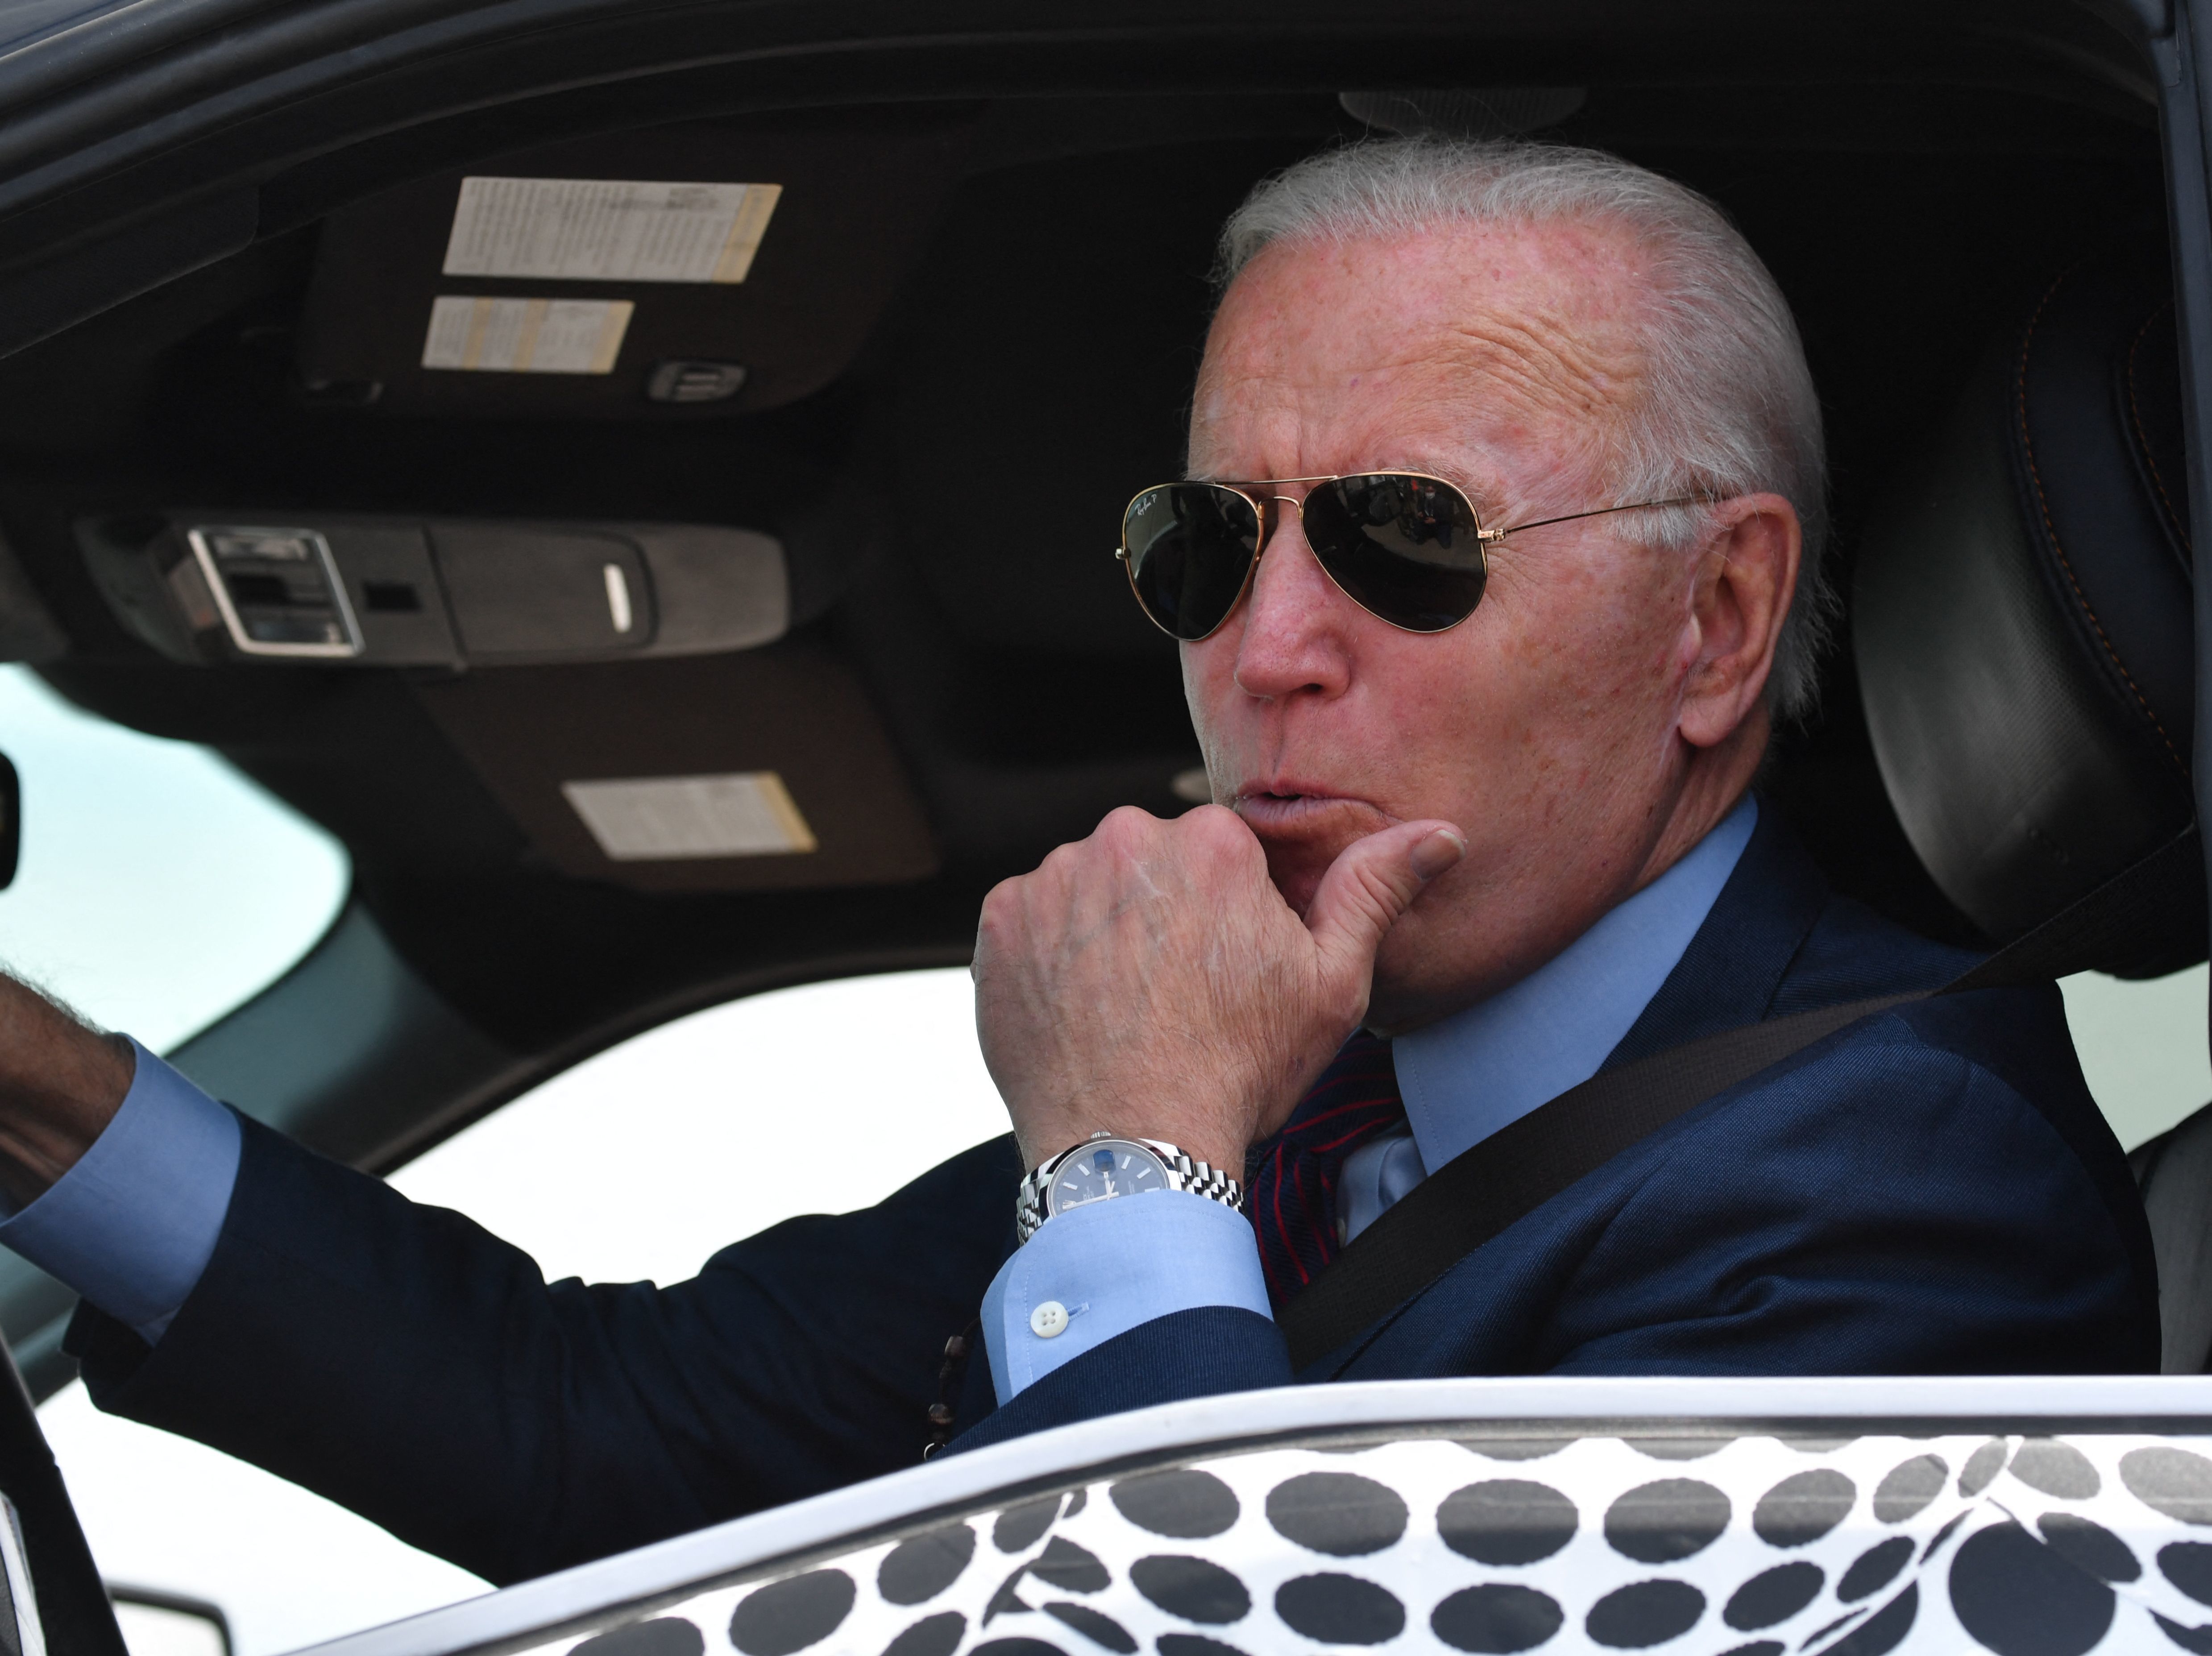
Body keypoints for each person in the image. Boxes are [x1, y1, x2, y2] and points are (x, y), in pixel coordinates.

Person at [0, 139, 2156, 1586]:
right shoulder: (1313, 1079)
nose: (1264, 646)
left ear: (1716, 622)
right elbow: (589, 1433)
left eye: (1408, 542)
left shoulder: (1908, 1189)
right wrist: (34, 1095)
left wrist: (1132, 1171)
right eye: (1207, 541)